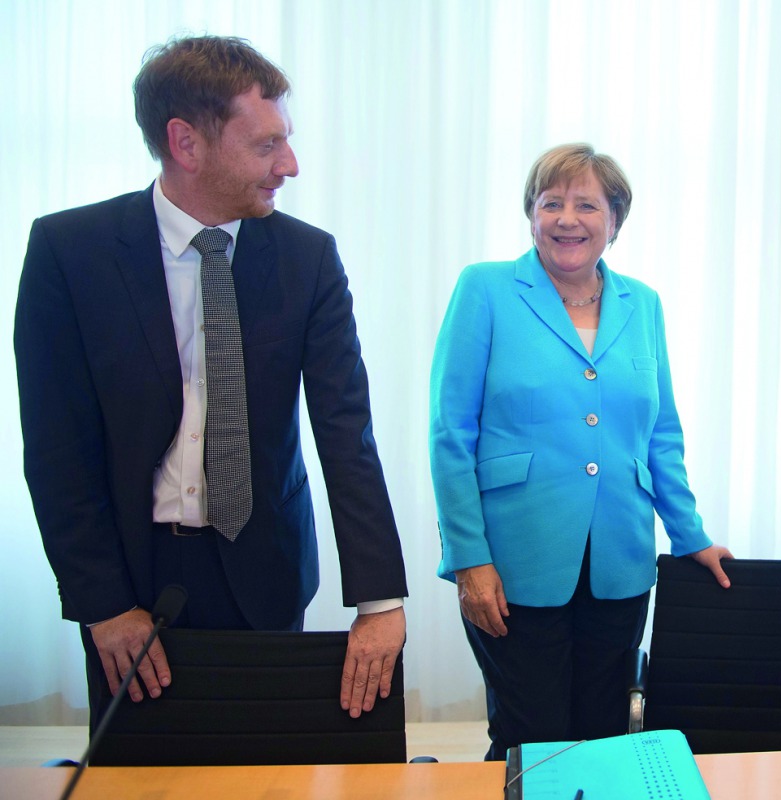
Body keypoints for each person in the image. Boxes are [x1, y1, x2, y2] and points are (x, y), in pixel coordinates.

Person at [14, 35, 408, 732]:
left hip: (266, 568)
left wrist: (379, 602)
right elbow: (56, 450)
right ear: (186, 144)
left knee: (268, 773)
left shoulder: (307, 259)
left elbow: (347, 433)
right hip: (131, 578)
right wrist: (101, 602)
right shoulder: (67, 253)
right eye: (265, 146)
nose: (289, 165)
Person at [429, 143, 732, 760]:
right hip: (513, 561)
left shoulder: (640, 303)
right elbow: (450, 432)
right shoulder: (485, 289)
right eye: (552, 203)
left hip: (619, 561)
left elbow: (661, 433)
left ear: (614, 221)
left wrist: (690, 534)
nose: (568, 218)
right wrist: (467, 557)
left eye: (587, 205)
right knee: (531, 735)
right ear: (531, 215)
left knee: (602, 734)